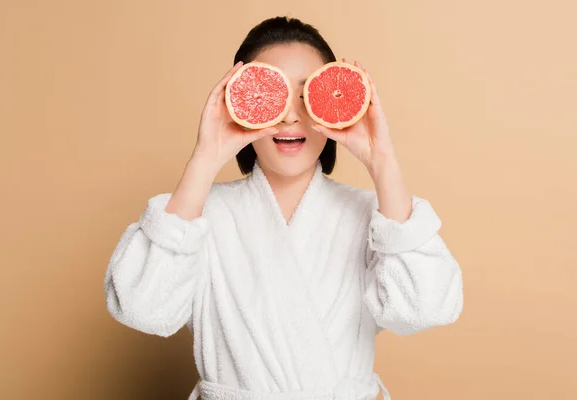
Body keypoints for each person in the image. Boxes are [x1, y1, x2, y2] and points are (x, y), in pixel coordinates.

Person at [103, 16, 464, 400]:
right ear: (235, 101)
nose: (292, 115)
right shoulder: (197, 217)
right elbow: (142, 309)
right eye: (271, 96)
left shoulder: (377, 218)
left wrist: (383, 162)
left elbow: (423, 310)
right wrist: (205, 159)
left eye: (310, 95)